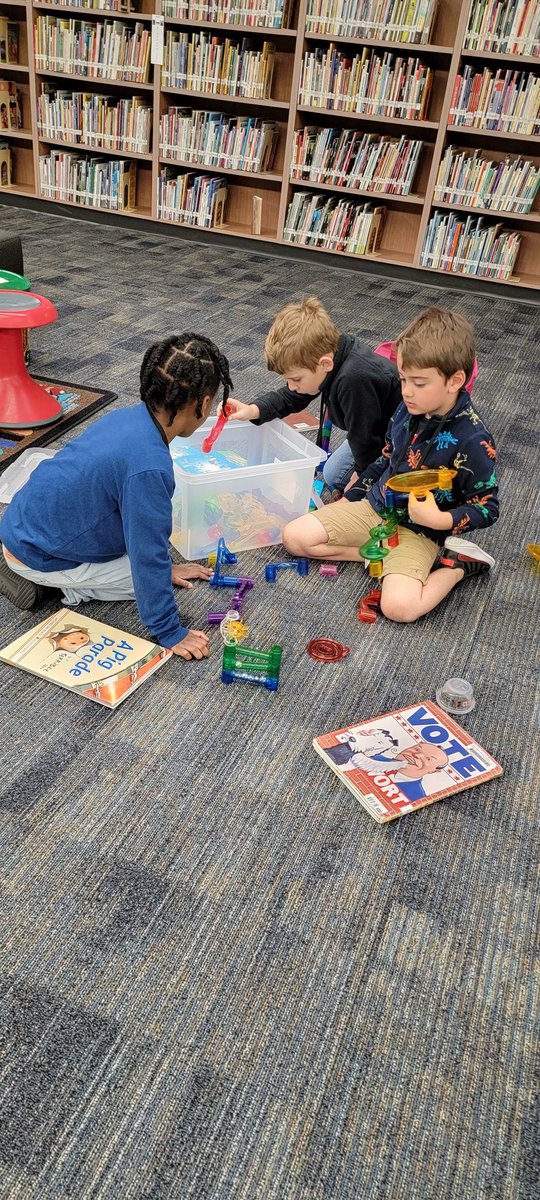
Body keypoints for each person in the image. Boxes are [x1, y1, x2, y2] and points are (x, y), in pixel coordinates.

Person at [0, 332, 234, 661]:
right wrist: (169, 630)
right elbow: (147, 550)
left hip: (22, 521)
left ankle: (31, 564)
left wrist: (162, 566)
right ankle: (51, 586)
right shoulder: (149, 467)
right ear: (205, 403)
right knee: (146, 582)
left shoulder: (130, 417)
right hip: (36, 553)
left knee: (153, 569)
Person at [282, 306, 499, 623]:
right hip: (376, 509)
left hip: (421, 532)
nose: (407, 391)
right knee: (295, 537)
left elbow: (487, 506)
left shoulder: (473, 440)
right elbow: (386, 457)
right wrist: (352, 497)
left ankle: (457, 564)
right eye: (403, 379)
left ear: (455, 381)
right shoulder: (406, 410)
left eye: (419, 383)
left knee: (399, 609)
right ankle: (380, 556)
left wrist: (440, 520)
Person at [224, 296, 402, 493]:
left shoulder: (354, 380)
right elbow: (293, 397)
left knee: (339, 477)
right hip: (368, 424)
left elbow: (365, 439)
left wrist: (361, 479)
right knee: (333, 472)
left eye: (296, 379)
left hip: (397, 439)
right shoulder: (329, 356)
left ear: (325, 363)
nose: (291, 386)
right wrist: (251, 410)